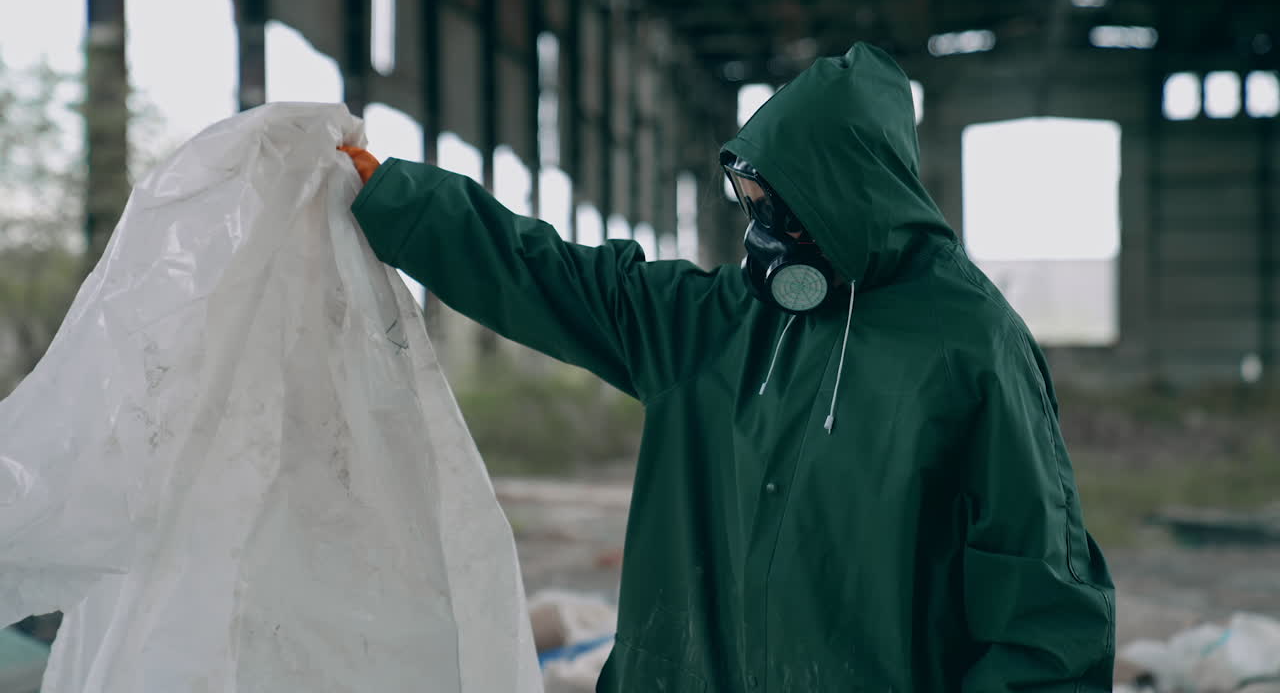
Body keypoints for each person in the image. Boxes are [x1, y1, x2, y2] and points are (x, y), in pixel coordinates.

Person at [341, 42, 1115, 691]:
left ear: (852, 195)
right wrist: (392, 195)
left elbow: (1045, 610)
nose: (761, 236)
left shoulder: (969, 348)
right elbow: (541, 271)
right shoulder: (711, 326)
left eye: (779, 207)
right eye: (748, 202)